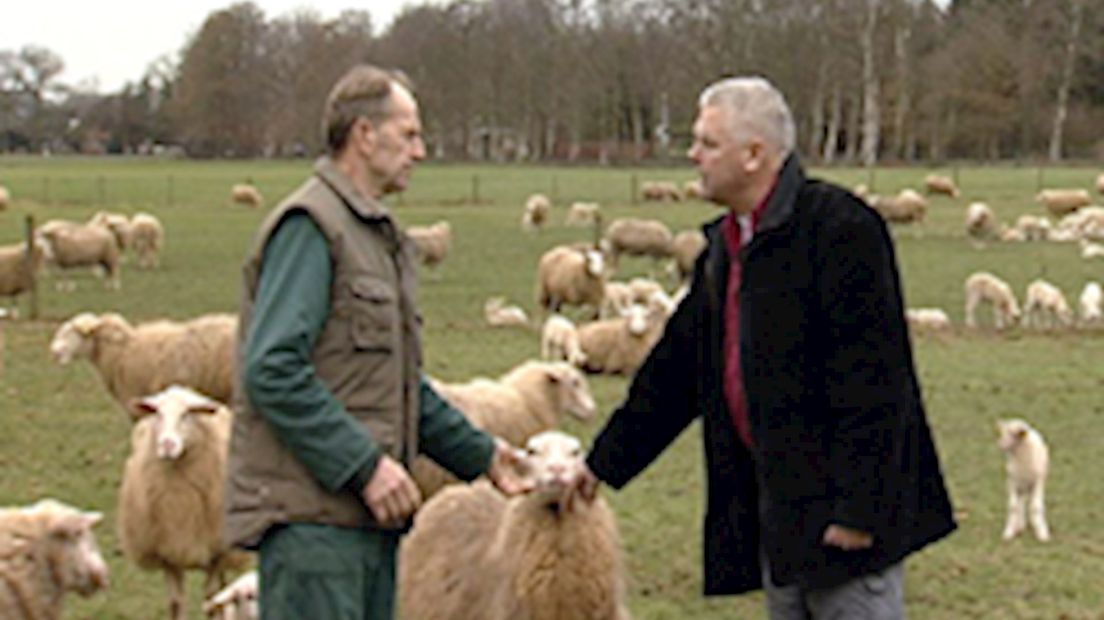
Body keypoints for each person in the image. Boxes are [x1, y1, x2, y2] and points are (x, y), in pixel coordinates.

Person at [562, 76, 956, 619]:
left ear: (753, 154)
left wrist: (859, 511)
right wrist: (601, 463)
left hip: (847, 529)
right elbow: (673, 376)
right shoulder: (725, 251)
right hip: (780, 516)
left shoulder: (839, 231)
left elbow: (876, 380)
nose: (691, 154)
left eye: (707, 142)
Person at [224, 64, 527, 620]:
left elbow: (396, 387)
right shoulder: (311, 226)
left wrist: (485, 456)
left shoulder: (372, 236)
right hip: (313, 529)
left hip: (364, 523)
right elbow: (271, 369)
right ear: (365, 135)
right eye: (409, 134)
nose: (421, 150)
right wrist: (365, 465)